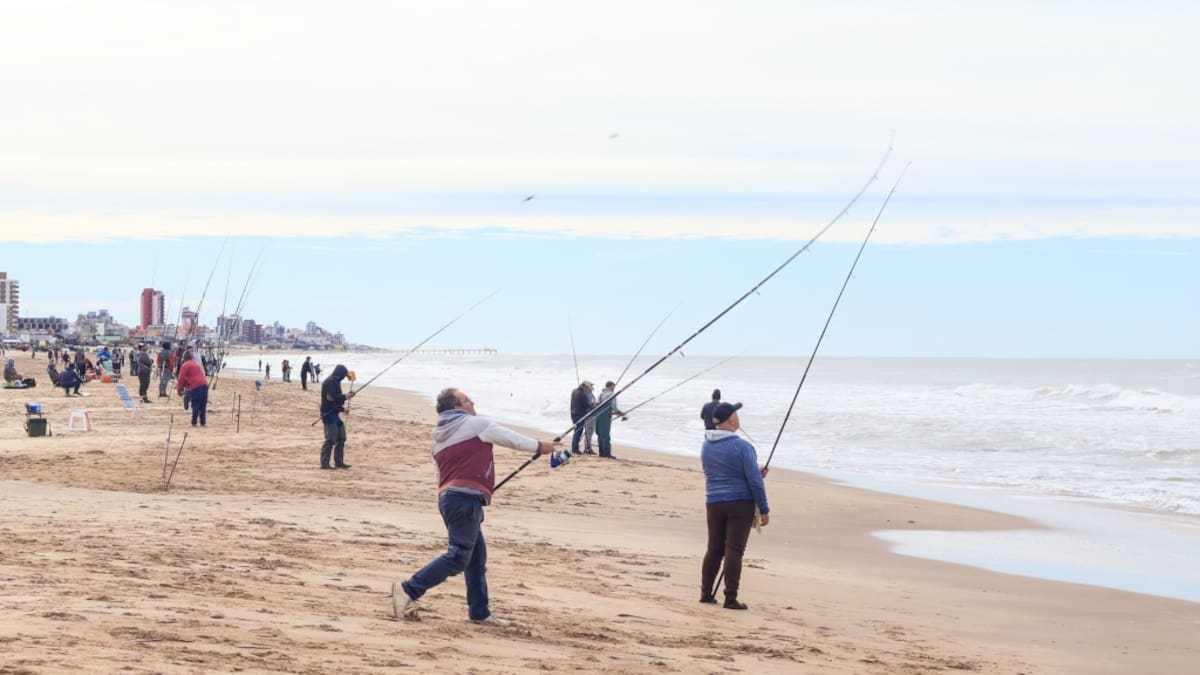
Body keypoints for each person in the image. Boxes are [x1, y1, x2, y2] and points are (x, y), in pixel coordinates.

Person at [391, 388, 557, 624]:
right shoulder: (475, 425)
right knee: (459, 556)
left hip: (450, 499)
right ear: (456, 408)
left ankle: (480, 612)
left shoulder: (438, 439)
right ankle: (409, 589)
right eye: (467, 400)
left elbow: (441, 477)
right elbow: (511, 438)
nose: (472, 402)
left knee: (476, 558)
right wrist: (540, 446)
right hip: (462, 500)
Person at [700, 401, 770, 611]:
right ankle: (730, 598)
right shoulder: (742, 446)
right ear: (731, 419)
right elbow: (754, 482)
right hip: (740, 503)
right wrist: (764, 509)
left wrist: (755, 473)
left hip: (713, 502)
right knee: (734, 550)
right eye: (736, 414)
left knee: (714, 549)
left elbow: (718, 471)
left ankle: (705, 593)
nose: (738, 418)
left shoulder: (706, 444)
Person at [319, 364, 355, 469]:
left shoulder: (336, 381)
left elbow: (336, 401)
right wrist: (345, 396)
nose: (344, 378)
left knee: (341, 437)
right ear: (339, 374)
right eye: (343, 376)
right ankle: (324, 463)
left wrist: (343, 409)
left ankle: (339, 462)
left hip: (335, 413)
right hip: (328, 414)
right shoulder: (329, 382)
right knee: (330, 439)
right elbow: (330, 398)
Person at [176, 348, 209, 427]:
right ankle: (203, 423)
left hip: (196, 386)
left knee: (195, 404)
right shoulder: (196, 363)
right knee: (202, 404)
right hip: (204, 384)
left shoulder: (185, 365)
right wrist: (186, 384)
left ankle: (193, 422)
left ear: (184, 358)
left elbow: (181, 378)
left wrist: (179, 390)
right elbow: (194, 376)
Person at [594, 380, 626, 459]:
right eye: (613, 386)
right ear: (610, 386)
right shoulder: (612, 394)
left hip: (598, 415)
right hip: (605, 416)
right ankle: (607, 453)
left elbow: (599, 404)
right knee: (606, 435)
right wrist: (621, 413)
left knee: (600, 434)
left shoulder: (601, 394)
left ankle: (601, 453)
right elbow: (614, 408)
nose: (614, 388)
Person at [569, 380, 595, 455]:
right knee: (578, 432)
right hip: (579, 415)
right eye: (589, 387)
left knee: (576, 431)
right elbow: (587, 405)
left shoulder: (574, 391)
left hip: (573, 413)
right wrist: (593, 404)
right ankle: (575, 449)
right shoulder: (582, 394)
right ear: (586, 387)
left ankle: (575, 447)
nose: (589, 389)